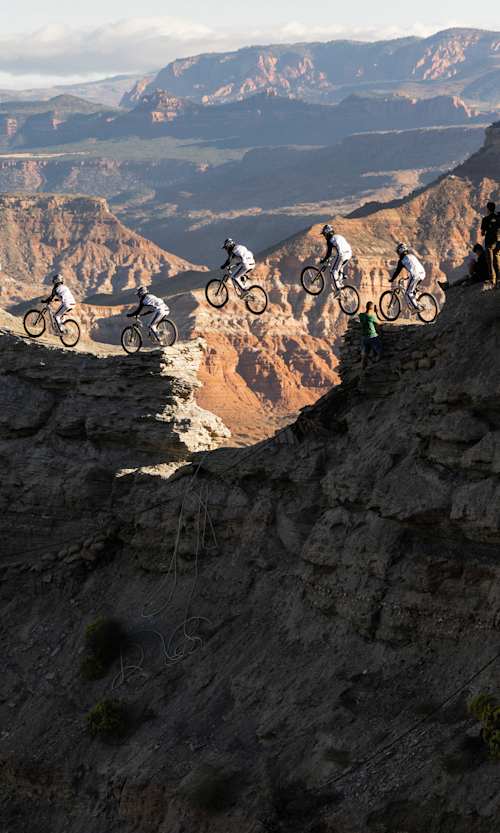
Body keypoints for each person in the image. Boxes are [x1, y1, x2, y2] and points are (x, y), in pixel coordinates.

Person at [390, 243, 425, 310]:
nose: (398, 254)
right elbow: (414, 266)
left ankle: (417, 308)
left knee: (408, 292)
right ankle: (416, 301)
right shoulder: (412, 255)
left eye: (398, 252)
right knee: (412, 289)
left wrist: (392, 279)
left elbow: (397, 271)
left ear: (400, 251)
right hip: (422, 273)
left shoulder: (402, 260)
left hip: (415, 275)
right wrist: (408, 277)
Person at [320, 224, 353, 289]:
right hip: (349, 254)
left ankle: (338, 288)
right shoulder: (339, 236)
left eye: (324, 234)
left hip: (342, 255)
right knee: (340, 267)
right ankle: (341, 281)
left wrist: (323, 260)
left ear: (327, 233)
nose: (324, 236)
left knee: (333, 271)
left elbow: (328, 253)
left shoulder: (330, 240)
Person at [480, 201, 500, 286]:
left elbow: (482, 233)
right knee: (497, 261)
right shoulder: (499, 217)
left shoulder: (485, 219)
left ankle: (492, 280)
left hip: (489, 243)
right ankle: (499, 279)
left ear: (488, 209)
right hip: (498, 242)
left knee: (490, 262)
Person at [359, 301, 382, 368]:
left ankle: (363, 366)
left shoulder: (361, 315)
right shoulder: (371, 316)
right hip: (373, 337)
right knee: (379, 351)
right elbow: (379, 322)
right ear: (372, 308)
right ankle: (376, 364)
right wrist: (376, 313)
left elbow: (362, 315)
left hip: (364, 337)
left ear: (366, 307)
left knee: (365, 353)